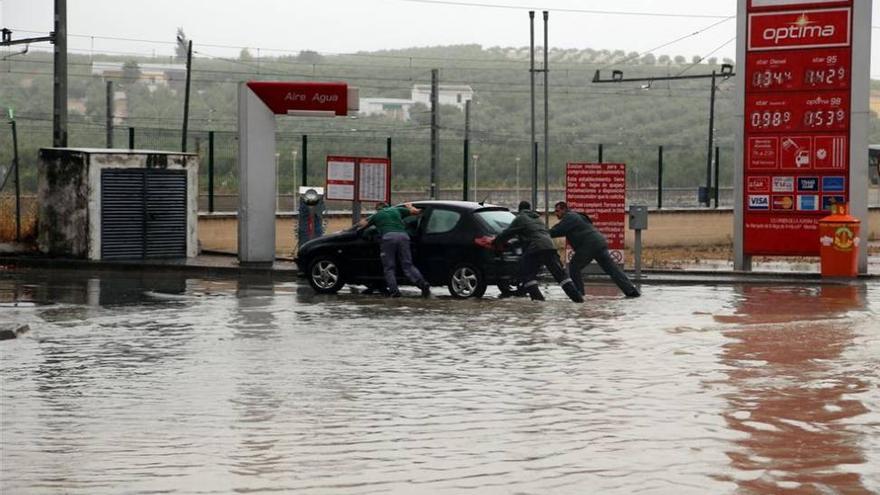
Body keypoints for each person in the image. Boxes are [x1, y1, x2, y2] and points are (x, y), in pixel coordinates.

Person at [493, 201, 583, 303]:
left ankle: (538, 301)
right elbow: (537, 233)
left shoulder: (520, 218)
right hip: (550, 247)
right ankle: (578, 300)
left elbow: (507, 233)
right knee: (561, 275)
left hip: (536, 248)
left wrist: (495, 242)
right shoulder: (538, 219)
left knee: (527, 273)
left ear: (519, 210)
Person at [550, 201, 640, 298]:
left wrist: (541, 233)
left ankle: (579, 294)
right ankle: (631, 291)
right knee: (612, 269)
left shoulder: (569, 217)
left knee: (574, 266)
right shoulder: (577, 216)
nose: (556, 213)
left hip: (589, 245)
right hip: (599, 242)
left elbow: (557, 230)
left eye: (557, 211)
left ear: (564, 209)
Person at [358, 202, 431, 298]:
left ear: (377, 209)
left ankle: (394, 291)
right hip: (403, 236)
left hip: (388, 238)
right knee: (407, 264)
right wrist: (409, 206)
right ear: (388, 206)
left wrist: (363, 227)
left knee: (389, 267)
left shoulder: (376, 215)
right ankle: (422, 284)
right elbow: (416, 212)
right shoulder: (397, 210)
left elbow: (361, 226)